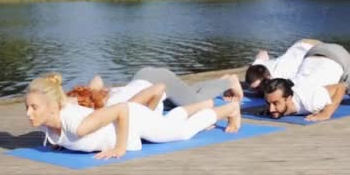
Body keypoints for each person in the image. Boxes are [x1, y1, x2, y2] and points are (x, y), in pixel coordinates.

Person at [25, 73, 242, 160]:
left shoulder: (78, 125)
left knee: (182, 132)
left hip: (133, 118)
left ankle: (229, 110)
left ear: (53, 107)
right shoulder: (48, 123)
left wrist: (120, 148)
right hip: (129, 120)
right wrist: (59, 143)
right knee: (167, 124)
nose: (29, 113)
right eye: (28, 107)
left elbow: (123, 110)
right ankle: (203, 105)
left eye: (34, 107)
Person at [67, 67, 244, 111]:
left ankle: (231, 82)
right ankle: (220, 81)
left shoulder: (108, 108)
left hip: (157, 80)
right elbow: (96, 79)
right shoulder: (100, 97)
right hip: (144, 75)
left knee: (196, 103)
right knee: (183, 95)